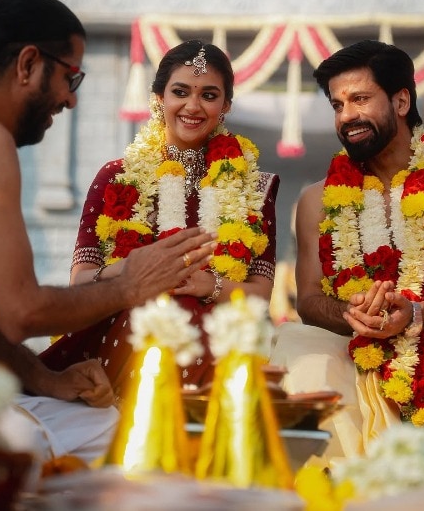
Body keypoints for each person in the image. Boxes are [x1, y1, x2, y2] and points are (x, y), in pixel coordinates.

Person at [270, 39, 424, 458]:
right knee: (303, 363)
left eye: (360, 99)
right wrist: (352, 314)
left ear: (401, 100)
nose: (347, 116)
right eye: (337, 105)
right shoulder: (318, 200)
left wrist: (418, 313)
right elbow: (310, 300)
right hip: (352, 360)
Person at [0, 0, 216, 354]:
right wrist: (129, 285)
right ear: (27, 64)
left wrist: (42, 378)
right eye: (71, 78)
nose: (71, 100)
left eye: (210, 95)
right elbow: (21, 312)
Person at [41, 40, 278, 391]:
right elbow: (81, 281)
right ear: (158, 98)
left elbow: (259, 294)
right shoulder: (116, 177)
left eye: (209, 96)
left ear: (226, 105)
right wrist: (138, 270)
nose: (193, 107)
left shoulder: (255, 187)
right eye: (180, 92)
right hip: (125, 328)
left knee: (188, 316)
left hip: (218, 333)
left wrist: (204, 286)